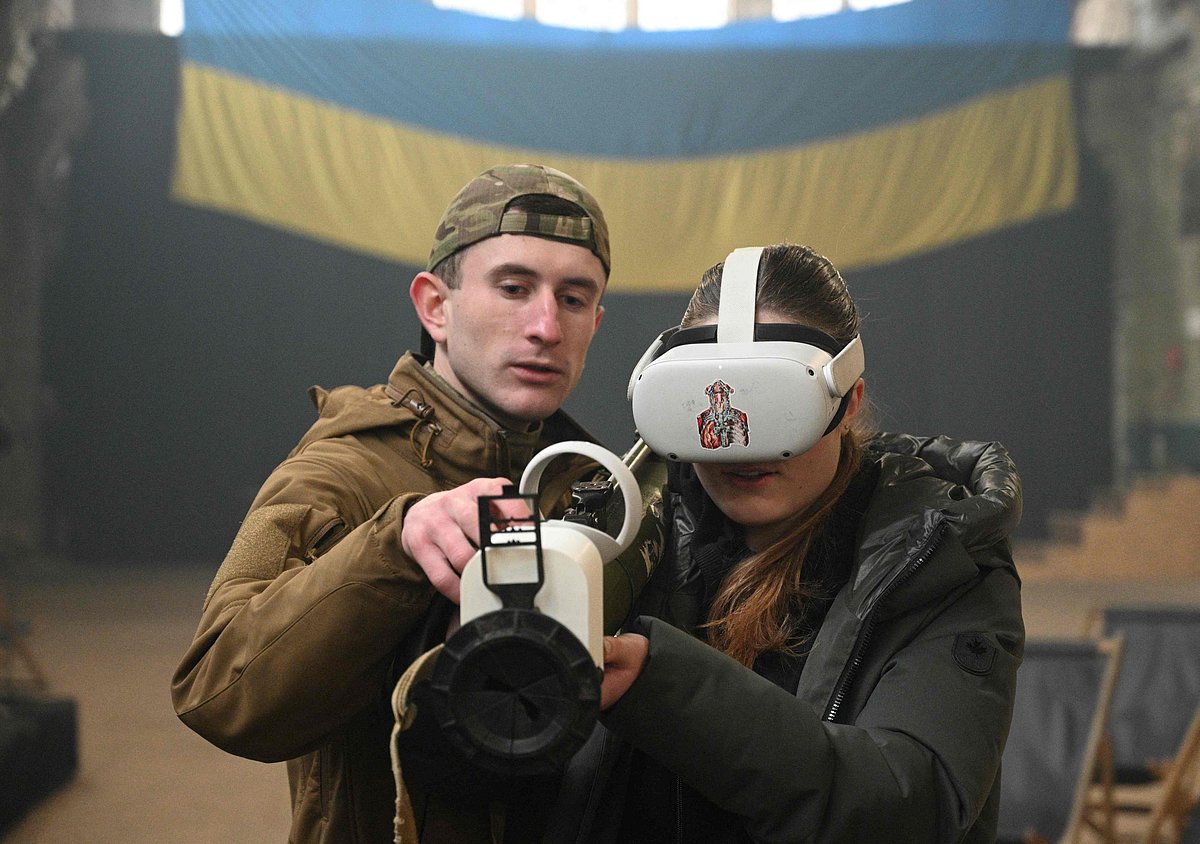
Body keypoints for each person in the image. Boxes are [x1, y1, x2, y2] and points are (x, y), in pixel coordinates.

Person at [412, 243, 1024, 843]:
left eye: (776, 405)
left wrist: (662, 685)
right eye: (708, 402)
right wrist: (479, 674)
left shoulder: (941, 559)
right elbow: (472, 788)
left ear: (847, 401)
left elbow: (910, 807)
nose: (741, 443)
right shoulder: (627, 538)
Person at [171, 163, 611, 844]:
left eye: (574, 298)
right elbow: (216, 691)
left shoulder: (595, 488)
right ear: (436, 306)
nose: (547, 326)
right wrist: (395, 546)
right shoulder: (333, 473)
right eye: (514, 288)